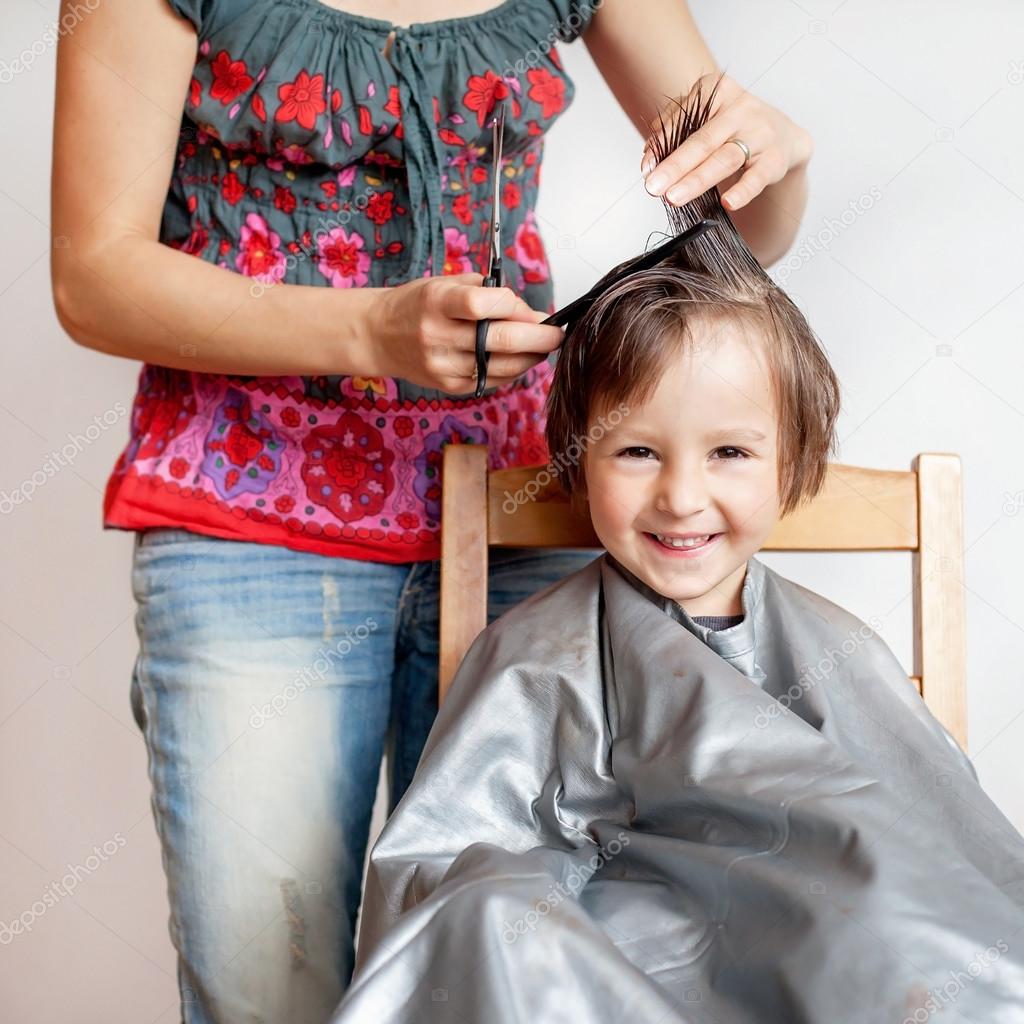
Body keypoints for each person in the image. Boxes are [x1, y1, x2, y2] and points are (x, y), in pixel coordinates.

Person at [50, 0, 814, 1019]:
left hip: (517, 518)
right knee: (268, 988)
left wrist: (780, 164)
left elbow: (733, 230)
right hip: (249, 518)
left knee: (517, 973)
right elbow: (91, 275)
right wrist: (371, 329)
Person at [327, 83, 1024, 1023]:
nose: (682, 497)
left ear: (794, 464)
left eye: (730, 452)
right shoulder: (537, 654)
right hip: (600, 960)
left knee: (900, 926)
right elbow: (446, 867)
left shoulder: (837, 648)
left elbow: (932, 843)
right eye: (638, 451)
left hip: (819, 959)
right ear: (576, 460)